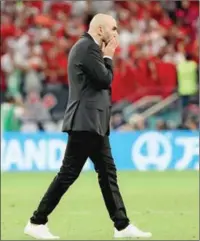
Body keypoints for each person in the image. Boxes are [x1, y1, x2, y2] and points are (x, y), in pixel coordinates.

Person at [24, 14, 152, 240]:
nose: (116, 33)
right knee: (70, 174)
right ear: (100, 30)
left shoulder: (86, 48)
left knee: (106, 172)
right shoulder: (87, 48)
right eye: (113, 28)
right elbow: (104, 79)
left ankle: (121, 225)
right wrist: (109, 56)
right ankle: (36, 221)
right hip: (86, 122)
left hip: (92, 122)